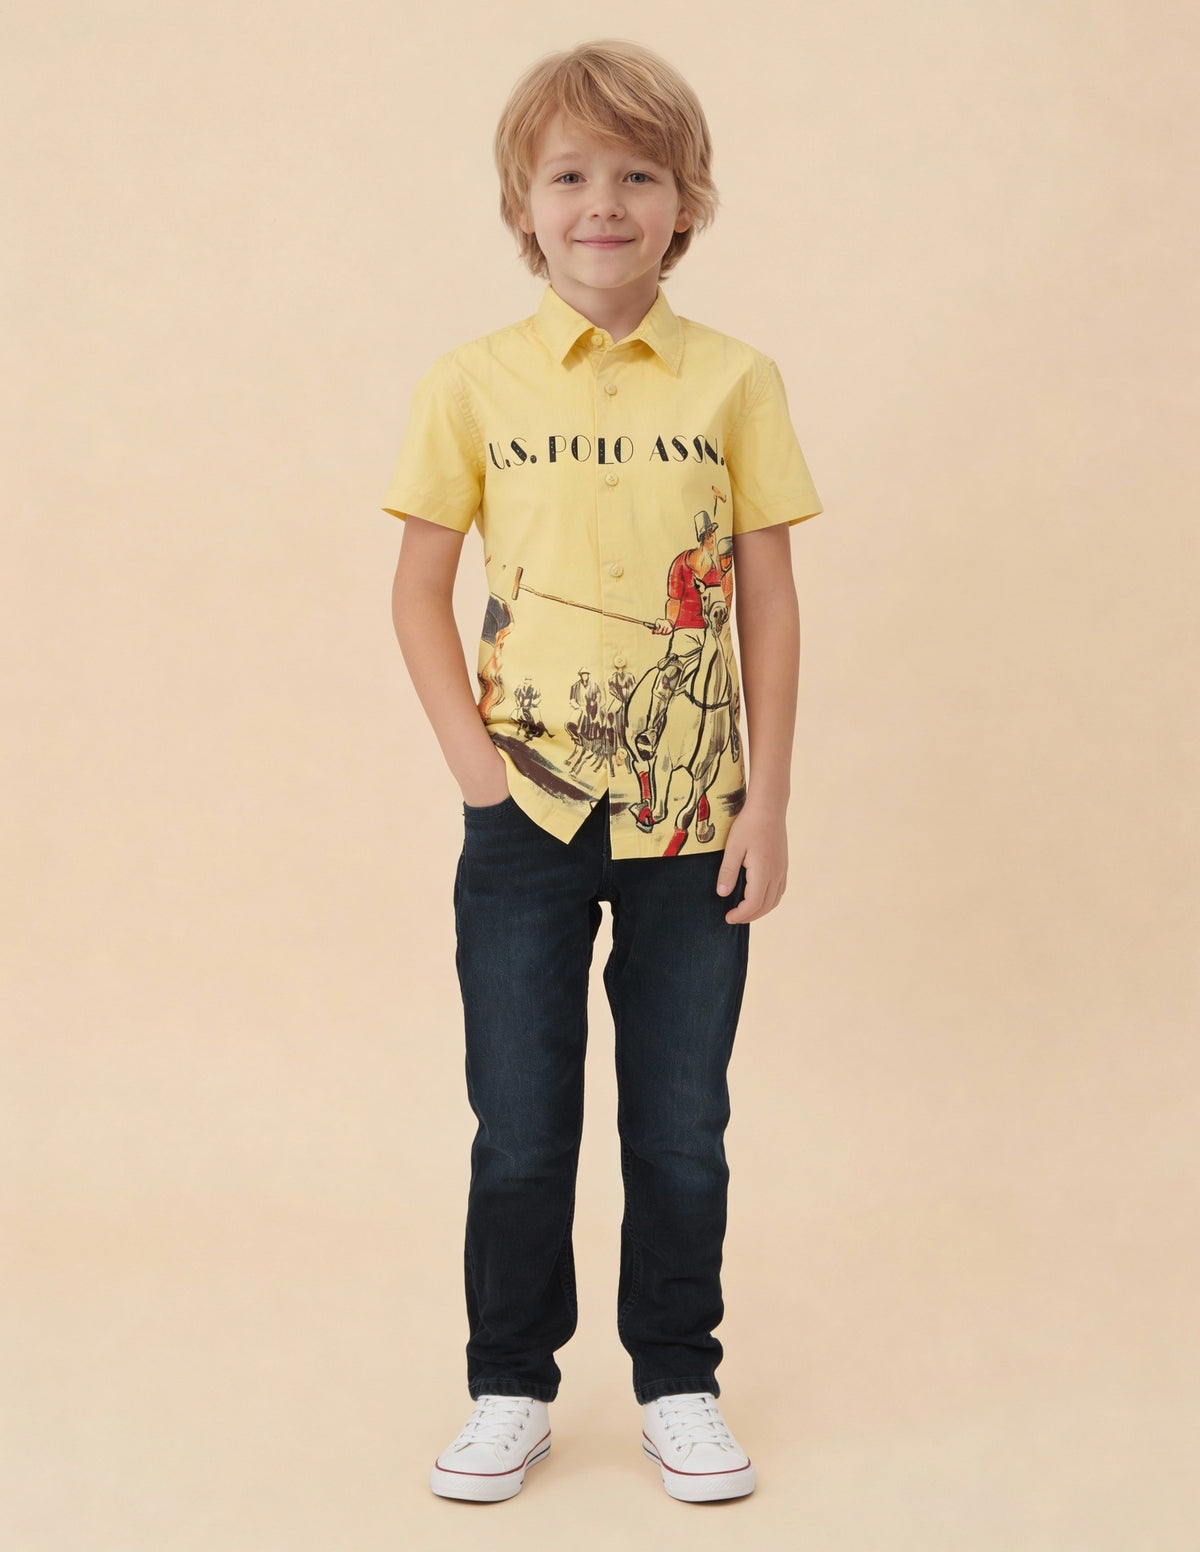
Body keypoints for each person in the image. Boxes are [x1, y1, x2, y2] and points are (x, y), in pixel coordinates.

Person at [382, 38, 824, 1504]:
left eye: (639, 175)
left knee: (681, 1125)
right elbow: (417, 589)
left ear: (684, 201)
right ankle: (510, 1385)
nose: (604, 204)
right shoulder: (472, 383)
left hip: (697, 817)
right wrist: (480, 777)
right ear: (524, 203)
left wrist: (768, 801)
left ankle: (679, 1382)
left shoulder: (735, 380)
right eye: (570, 175)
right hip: (527, 817)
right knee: (521, 1125)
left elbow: (767, 598)